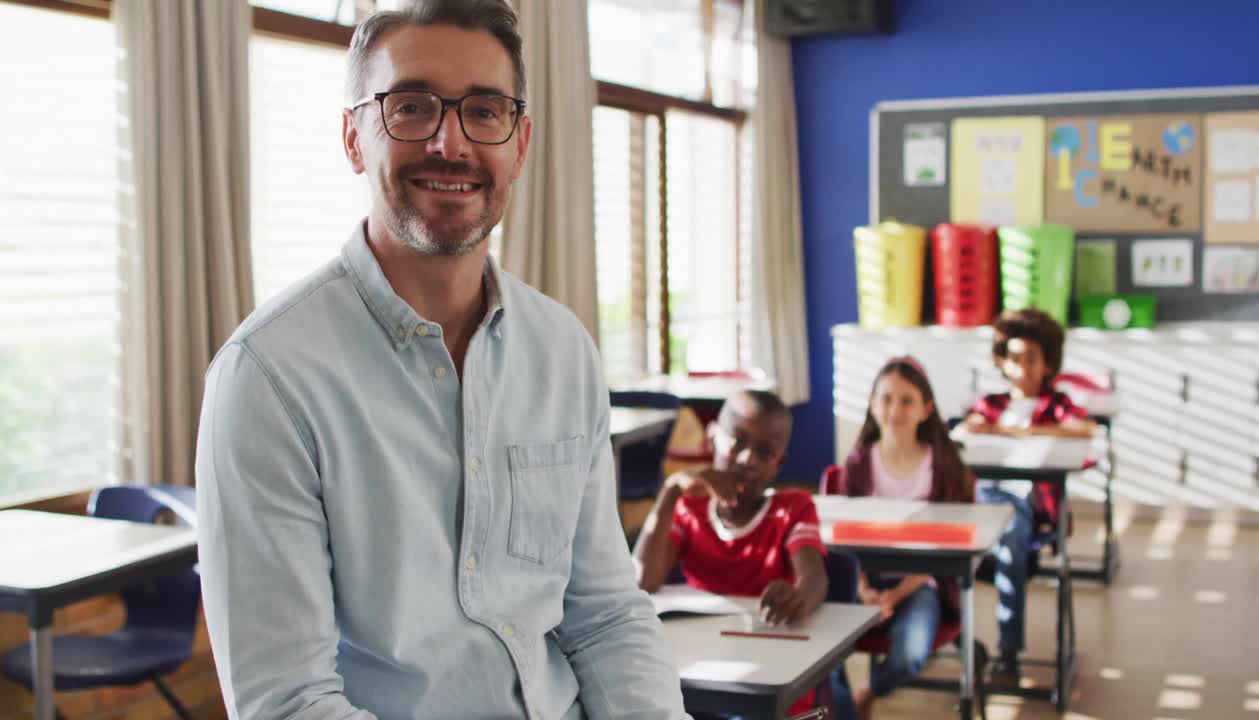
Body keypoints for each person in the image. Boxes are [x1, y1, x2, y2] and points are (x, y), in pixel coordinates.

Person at [194, 2, 687, 717]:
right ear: (354, 137)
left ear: (519, 144)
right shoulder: (268, 379)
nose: (450, 143)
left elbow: (605, 614)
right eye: (412, 106)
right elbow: (289, 704)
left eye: (484, 111)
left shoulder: (562, 350)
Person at [632, 390, 829, 716]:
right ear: (712, 438)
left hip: (767, 672)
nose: (747, 459)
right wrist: (671, 490)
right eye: (737, 441)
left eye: (765, 452)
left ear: (780, 463)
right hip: (702, 666)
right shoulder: (689, 508)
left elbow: (814, 579)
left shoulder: (791, 509)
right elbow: (642, 581)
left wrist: (799, 596)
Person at [825, 357, 974, 720]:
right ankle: (844, 712)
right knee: (821, 653)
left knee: (910, 652)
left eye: (906, 400)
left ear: (926, 409)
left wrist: (895, 594)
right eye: (886, 398)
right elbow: (839, 541)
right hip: (862, 583)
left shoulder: (944, 467)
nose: (895, 409)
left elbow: (949, 549)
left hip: (921, 585)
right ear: (873, 405)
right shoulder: (858, 464)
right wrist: (864, 590)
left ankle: (869, 691)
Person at [962, 307, 1096, 682]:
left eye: (1031, 359)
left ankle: (1008, 651)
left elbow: (1083, 429)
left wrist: (1020, 434)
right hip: (985, 497)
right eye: (1014, 358)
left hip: (1029, 509)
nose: (1022, 367)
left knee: (1010, 538)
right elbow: (970, 428)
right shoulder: (993, 403)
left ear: (1048, 363)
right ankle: (964, 645)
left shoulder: (1056, 405)